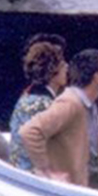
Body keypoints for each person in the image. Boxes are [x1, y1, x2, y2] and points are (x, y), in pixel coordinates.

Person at [20, 49, 98, 187]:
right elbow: (29, 132)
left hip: (91, 184)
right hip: (74, 190)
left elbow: (97, 151)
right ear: (97, 77)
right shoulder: (70, 103)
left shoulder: (90, 106)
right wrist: (47, 173)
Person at [9, 38, 69, 171]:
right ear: (53, 69)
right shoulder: (45, 105)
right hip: (33, 178)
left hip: (19, 170)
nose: (67, 66)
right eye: (63, 63)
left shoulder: (26, 98)